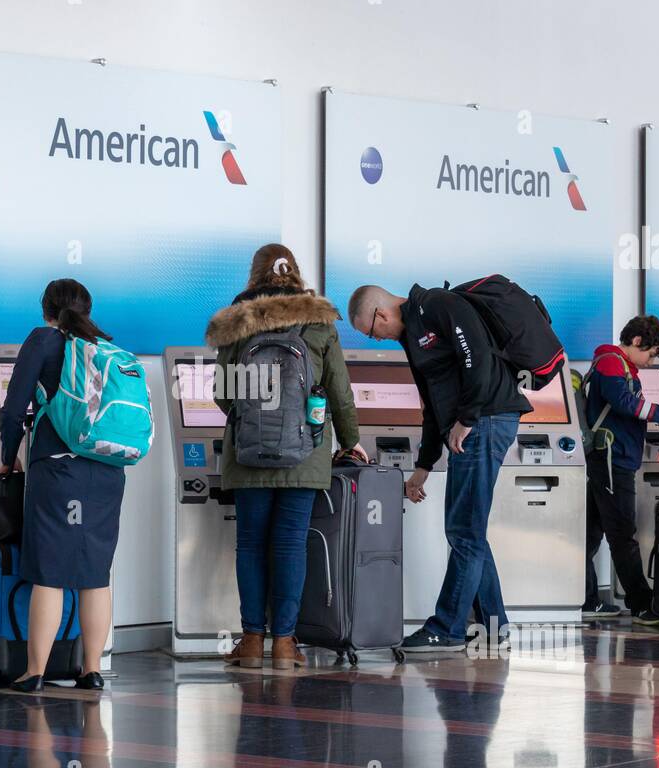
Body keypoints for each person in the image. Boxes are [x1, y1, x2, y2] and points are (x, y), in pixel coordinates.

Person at [346, 282, 531, 652]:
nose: (376, 339)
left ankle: (447, 629)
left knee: (463, 530)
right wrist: (423, 466)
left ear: (381, 314)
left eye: (371, 332)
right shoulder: (412, 336)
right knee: (468, 528)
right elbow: (431, 405)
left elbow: (477, 357)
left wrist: (468, 417)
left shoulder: (439, 305)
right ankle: (495, 626)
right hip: (470, 425)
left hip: (487, 419)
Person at [207, 244, 364, 670]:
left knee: (251, 544)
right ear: (295, 273)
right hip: (306, 452)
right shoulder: (319, 320)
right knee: (291, 544)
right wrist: (349, 440)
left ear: (253, 274)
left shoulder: (236, 321)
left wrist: (252, 420)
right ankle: (285, 644)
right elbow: (339, 391)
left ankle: (252, 641)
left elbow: (223, 394)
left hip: (248, 454)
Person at [0, 279, 126, 692]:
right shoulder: (104, 347)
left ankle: (35, 671)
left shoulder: (43, 340)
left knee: (49, 574)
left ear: (45, 309)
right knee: (95, 574)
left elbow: (15, 406)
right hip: (107, 472)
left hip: (57, 471)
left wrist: (7, 456)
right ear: (87, 310)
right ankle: (91, 670)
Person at [580, 315, 659, 623]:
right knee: (622, 534)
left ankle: (587, 599)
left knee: (590, 533)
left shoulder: (619, 364)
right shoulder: (611, 361)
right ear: (636, 341)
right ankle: (642, 605)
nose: (650, 361)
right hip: (611, 461)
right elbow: (626, 404)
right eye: (651, 353)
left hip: (612, 460)